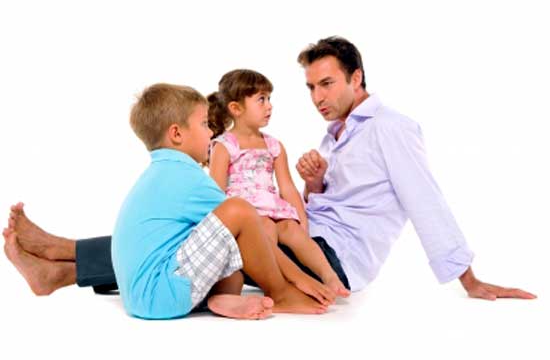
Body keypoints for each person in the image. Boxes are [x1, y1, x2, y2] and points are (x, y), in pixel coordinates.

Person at [3, 36, 536, 301]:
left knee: (209, 233)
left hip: (333, 256)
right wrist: (315, 184)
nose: (316, 97)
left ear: (357, 77)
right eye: (309, 87)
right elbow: (344, 199)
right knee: (199, 233)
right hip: (309, 233)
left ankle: (64, 255)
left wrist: (469, 280)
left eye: (327, 84)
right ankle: (65, 268)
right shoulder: (340, 132)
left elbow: (426, 199)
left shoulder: (391, 127)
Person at [4, 83, 331, 319]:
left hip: (146, 295)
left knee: (228, 242)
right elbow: (249, 227)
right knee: (239, 210)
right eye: (204, 125)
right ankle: (282, 295)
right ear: (177, 134)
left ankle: (218, 301)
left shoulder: (163, 171)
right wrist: (294, 281)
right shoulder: (185, 177)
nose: (211, 133)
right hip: (158, 296)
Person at [207, 69, 350, 300]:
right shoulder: (224, 145)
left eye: (269, 99)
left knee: (294, 232)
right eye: (261, 100)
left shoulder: (274, 145)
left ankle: (329, 276)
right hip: (248, 213)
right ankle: (280, 283)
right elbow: (214, 191)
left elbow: (287, 187)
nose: (269, 106)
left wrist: (302, 221)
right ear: (236, 108)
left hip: (273, 206)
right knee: (266, 228)